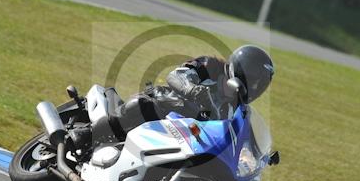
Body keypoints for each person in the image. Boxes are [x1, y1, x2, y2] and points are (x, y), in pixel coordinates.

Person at [113, 45, 275, 133]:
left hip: (189, 139)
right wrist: (193, 90)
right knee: (143, 104)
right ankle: (90, 134)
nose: (255, 88)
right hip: (164, 112)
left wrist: (257, 155)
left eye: (259, 85)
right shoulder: (209, 67)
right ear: (240, 71)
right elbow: (175, 77)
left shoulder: (239, 110)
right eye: (253, 81)